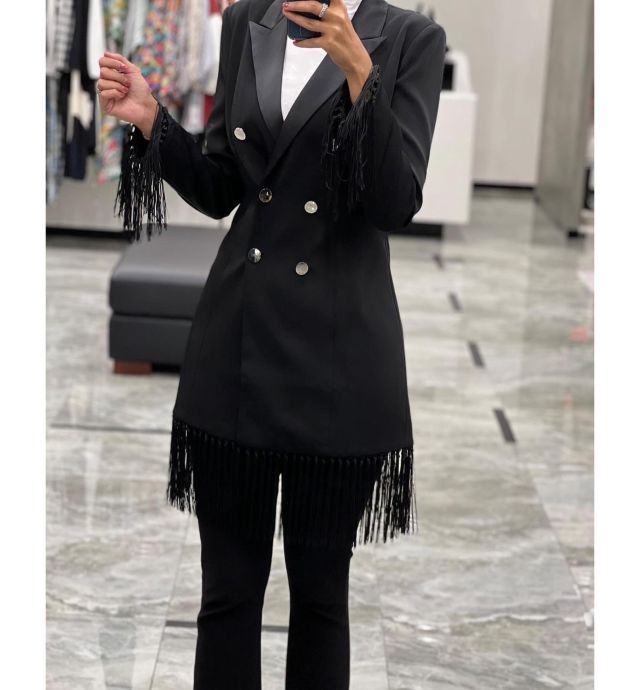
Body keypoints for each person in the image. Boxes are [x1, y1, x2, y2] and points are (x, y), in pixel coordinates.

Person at [97, 0, 446, 686]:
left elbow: (395, 201)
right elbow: (223, 185)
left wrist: (361, 75)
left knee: (319, 596)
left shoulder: (409, 38)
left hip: (338, 356)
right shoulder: (245, 23)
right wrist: (153, 121)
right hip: (238, 345)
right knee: (227, 594)